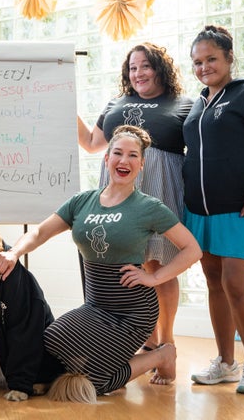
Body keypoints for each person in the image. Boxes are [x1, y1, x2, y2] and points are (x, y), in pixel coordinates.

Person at [0, 125, 202, 399]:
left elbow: (192, 249)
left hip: (133, 311)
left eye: (132, 155)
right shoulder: (83, 202)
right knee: (51, 341)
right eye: (117, 153)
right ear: (106, 159)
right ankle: (120, 359)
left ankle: (162, 355)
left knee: (100, 383)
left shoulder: (149, 207)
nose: (123, 161)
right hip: (96, 305)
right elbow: (39, 231)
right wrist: (14, 253)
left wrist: (153, 278)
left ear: (141, 164)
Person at [77, 43, 193, 373]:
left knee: (159, 264)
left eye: (145, 66)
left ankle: (166, 341)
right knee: (130, 265)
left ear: (160, 69)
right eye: (132, 68)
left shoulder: (183, 105)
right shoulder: (115, 103)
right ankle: (146, 342)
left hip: (161, 188)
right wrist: (64, 101)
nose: (137, 73)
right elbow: (91, 143)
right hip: (119, 190)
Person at [183, 25, 244, 395]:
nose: (204, 66)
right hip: (199, 210)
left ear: (228, 58)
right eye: (197, 61)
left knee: (235, 283)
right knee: (212, 282)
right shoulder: (197, 104)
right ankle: (226, 363)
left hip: (241, 207)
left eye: (211, 59)